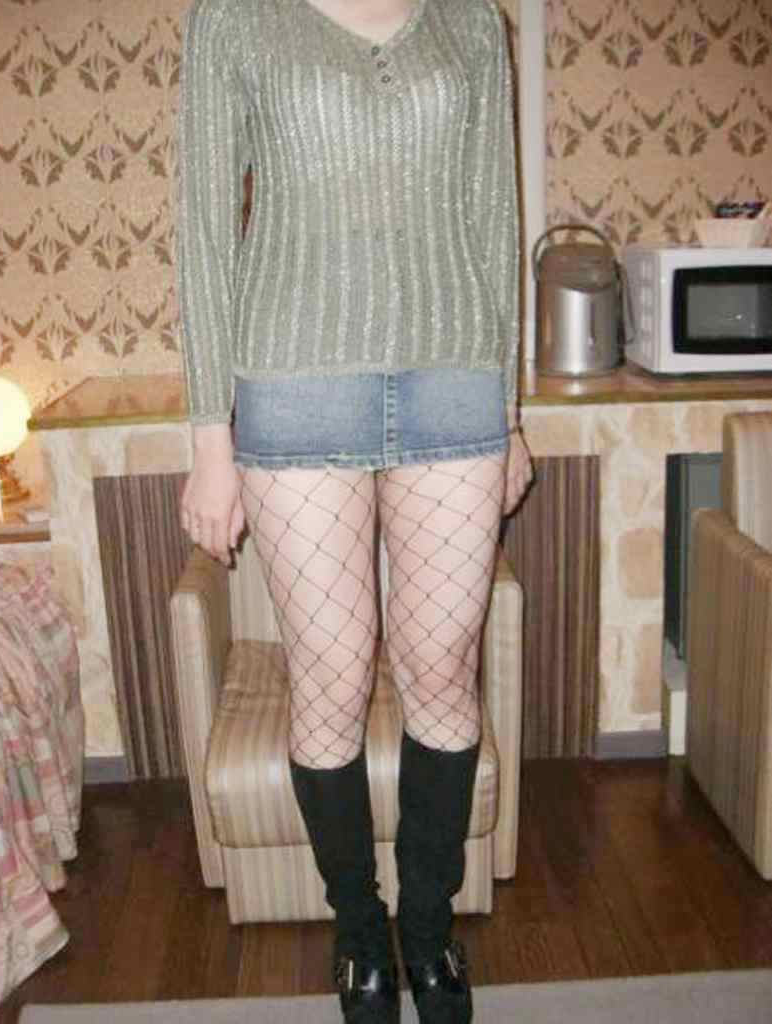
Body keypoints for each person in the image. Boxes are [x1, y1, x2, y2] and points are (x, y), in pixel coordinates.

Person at [176, 0, 532, 1021]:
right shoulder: (236, 20)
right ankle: (357, 930)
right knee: (329, 680)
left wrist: (509, 413)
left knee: (441, 675)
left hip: (454, 384)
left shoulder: (471, 22)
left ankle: (427, 926)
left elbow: (493, 218)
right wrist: (208, 439)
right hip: (293, 389)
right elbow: (203, 231)